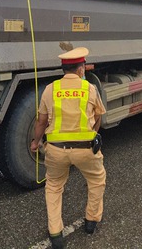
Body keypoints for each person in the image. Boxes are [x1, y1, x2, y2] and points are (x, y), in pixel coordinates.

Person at [31, 47, 106, 249]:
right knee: (96, 180)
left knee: (54, 186)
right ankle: (91, 221)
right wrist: (93, 135)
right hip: (85, 149)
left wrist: (35, 141)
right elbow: (98, 116)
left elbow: (41, 121)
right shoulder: (89, 88)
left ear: (63, 70)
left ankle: (56, 234)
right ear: (81, 69)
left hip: (56, 150)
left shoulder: (50, 89)